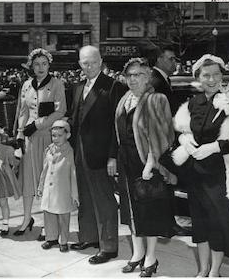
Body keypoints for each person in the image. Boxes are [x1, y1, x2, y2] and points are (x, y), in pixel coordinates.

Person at [168, 54, 229, 277]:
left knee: (218, 224)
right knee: (200, 223)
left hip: (220, 174)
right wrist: (183, 139)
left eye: (216, 75)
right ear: (198, 78)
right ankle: (202, 270)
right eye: (206, 75)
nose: (211, 79)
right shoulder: (193, 103)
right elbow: (182, 129)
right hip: (196, 174)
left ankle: (214, 272)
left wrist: (215, 147)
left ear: (222, 76)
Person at [114, 57, 176, 277]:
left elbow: (165, 134)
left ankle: (151, 257)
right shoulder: (124, 100)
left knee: (149, 212)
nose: (133, 79)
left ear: (148, 76)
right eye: (129, 75)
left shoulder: (157, 99)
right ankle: (137, 254)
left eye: (138, 74)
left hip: (147, 164)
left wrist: (151, 162)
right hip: (126, 161)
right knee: (131, 210)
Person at [68, 45, 126, 264]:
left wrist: (113, 156)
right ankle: (89, 237)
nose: (89, 66)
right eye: (84, 62)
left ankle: (109, 246)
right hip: (80, 150)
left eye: (93, 62)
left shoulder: (113, 87)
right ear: (79, 64)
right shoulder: (77, 87)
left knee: (104, 200)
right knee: (85, 196)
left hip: (102, 153)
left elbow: (116, 125)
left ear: (101, 61)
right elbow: (75, 119)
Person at [14, 48, 67, 239]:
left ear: (49, 64)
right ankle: (26, 219)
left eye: (44, 63)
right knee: (28, 180)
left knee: (47, 180)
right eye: (37, 64)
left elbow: (60, 112)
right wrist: (21, 133)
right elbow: (23, 112)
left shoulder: (57, 84)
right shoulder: (27, 85)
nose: (41, 67)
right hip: (29, 139)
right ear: (32, 66)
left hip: (48, 138)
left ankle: (48, 225)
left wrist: (36, 124)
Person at [150, 45, 192, 236]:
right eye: (171, 59)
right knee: (164, 182)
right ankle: (166, 224)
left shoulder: (163, 80)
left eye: (175, 59)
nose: (175, 62)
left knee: (167, 183)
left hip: (166, 140)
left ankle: (166, 222)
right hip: (161, 142)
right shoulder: (156, 82)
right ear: (160, 59)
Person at [37, 120, 79, 252]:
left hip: (63, 190)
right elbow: (44, 169)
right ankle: (51, 238)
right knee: (48, 213)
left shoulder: (69, 151)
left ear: (67, 135)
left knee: (63, 216)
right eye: (54, 135)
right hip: (49, 190)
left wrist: (74, 193)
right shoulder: (49, 150)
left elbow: (73, 173)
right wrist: (40, 185)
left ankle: (63, 240)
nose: (56, 139)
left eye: (60, 135)